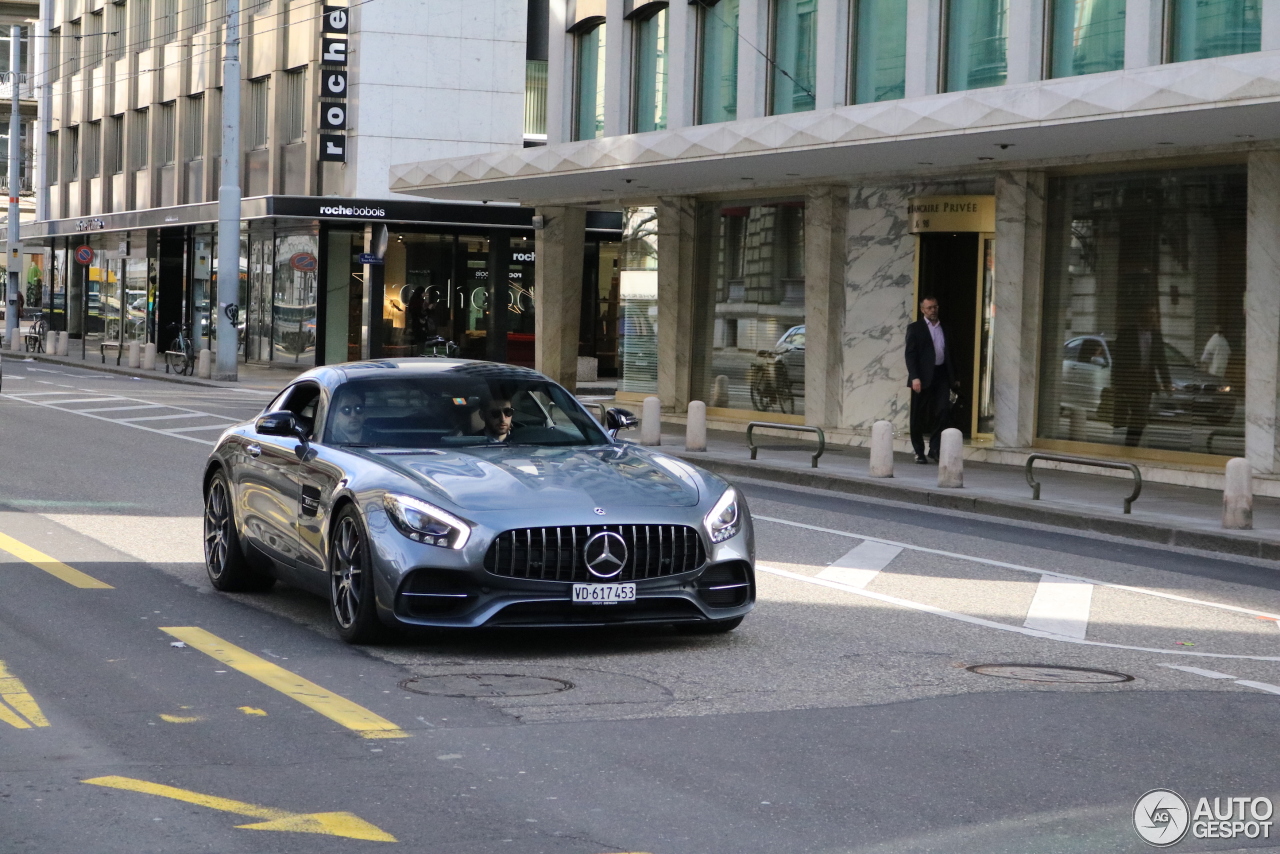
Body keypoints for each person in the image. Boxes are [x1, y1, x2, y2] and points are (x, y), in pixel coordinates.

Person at [904, 295, 957, 464]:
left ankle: (934, 449)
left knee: (942, 411)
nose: (933, 310)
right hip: (922, 377)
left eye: (935, 307)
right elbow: (910, 355)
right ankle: (919, 451)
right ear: (922, 310)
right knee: (918, 415)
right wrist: (915, 377)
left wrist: (955, 377)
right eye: (929, 308)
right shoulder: (915, 328)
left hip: (941, 374)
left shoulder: (945, 328)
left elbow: (951, 354)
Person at [1111, 303, 1170, 447]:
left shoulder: (1155, 335)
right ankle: (1131, 444)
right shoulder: (1127, 333)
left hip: (1146, 381)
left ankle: (1131, 443)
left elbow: (1161, 359)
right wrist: (1116, 382)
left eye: (1154, 315)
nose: (1152, 318)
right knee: (1139, 412)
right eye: (1149, 315)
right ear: (1141, 316)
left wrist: (1166, 381)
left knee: (1140, 415)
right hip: (1130, 380)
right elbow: (1118, 359)